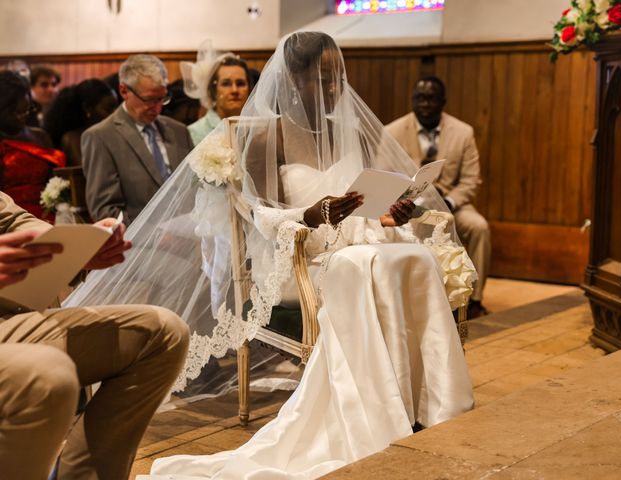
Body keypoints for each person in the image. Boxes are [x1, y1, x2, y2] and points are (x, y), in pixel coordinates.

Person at [66, 31, 474, 479]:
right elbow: (259, 215)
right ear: (293, 80)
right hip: (299, 253)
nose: (335, 88)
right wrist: (311, 215)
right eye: (323, 78)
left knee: (413, 258)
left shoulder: (348, 130)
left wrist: (387, 213)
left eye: (338, 77)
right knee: (368, 264)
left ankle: (427, 397)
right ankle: (375, 406)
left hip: (352, 242)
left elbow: (361, 204)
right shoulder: (266, 137)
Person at [0, 191, 190, 480]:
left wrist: (71, 249)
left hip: (10, 316)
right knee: (47, 373)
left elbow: (14, 220)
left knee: (163, 331)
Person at [386, 76, 491, 318]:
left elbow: (471, 180)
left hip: (453, 205)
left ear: (443, 102)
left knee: (479, 227)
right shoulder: (392, 131)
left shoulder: (463, 132)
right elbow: (385, 172)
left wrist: (450, 203)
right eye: (420, 99)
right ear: (412, 101)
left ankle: (472, 301)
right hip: (406, 207)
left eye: (431, 99)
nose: (425, 104)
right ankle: (416, 298)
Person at [82, 54, 194, 224]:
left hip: (191, 236)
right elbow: (106, 210)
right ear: (124, 91)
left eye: (162, 98)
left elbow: (195, 189)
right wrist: (155, 238)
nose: (157, 108)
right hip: (139, 245)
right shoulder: (101, 137)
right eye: (149, 99)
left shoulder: (179, 131)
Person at [0, 70, 65, 219]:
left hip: (47, 214)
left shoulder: (40, 136)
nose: (23, 117)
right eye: (17, 112)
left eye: (27, 110)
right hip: (8, 218)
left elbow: (56, 180)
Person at [181, 41, 252, 145]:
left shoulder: (257, 127)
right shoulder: (194, 132)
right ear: (213, 90)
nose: (234, 90)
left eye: (240, 83)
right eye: (226, 84)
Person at [43, 78, 118, 166]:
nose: (114, 114)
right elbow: (88, 174)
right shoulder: (73, 139)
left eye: (116, 108)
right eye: (108, 109)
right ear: (87, 108)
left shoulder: (111, 133)